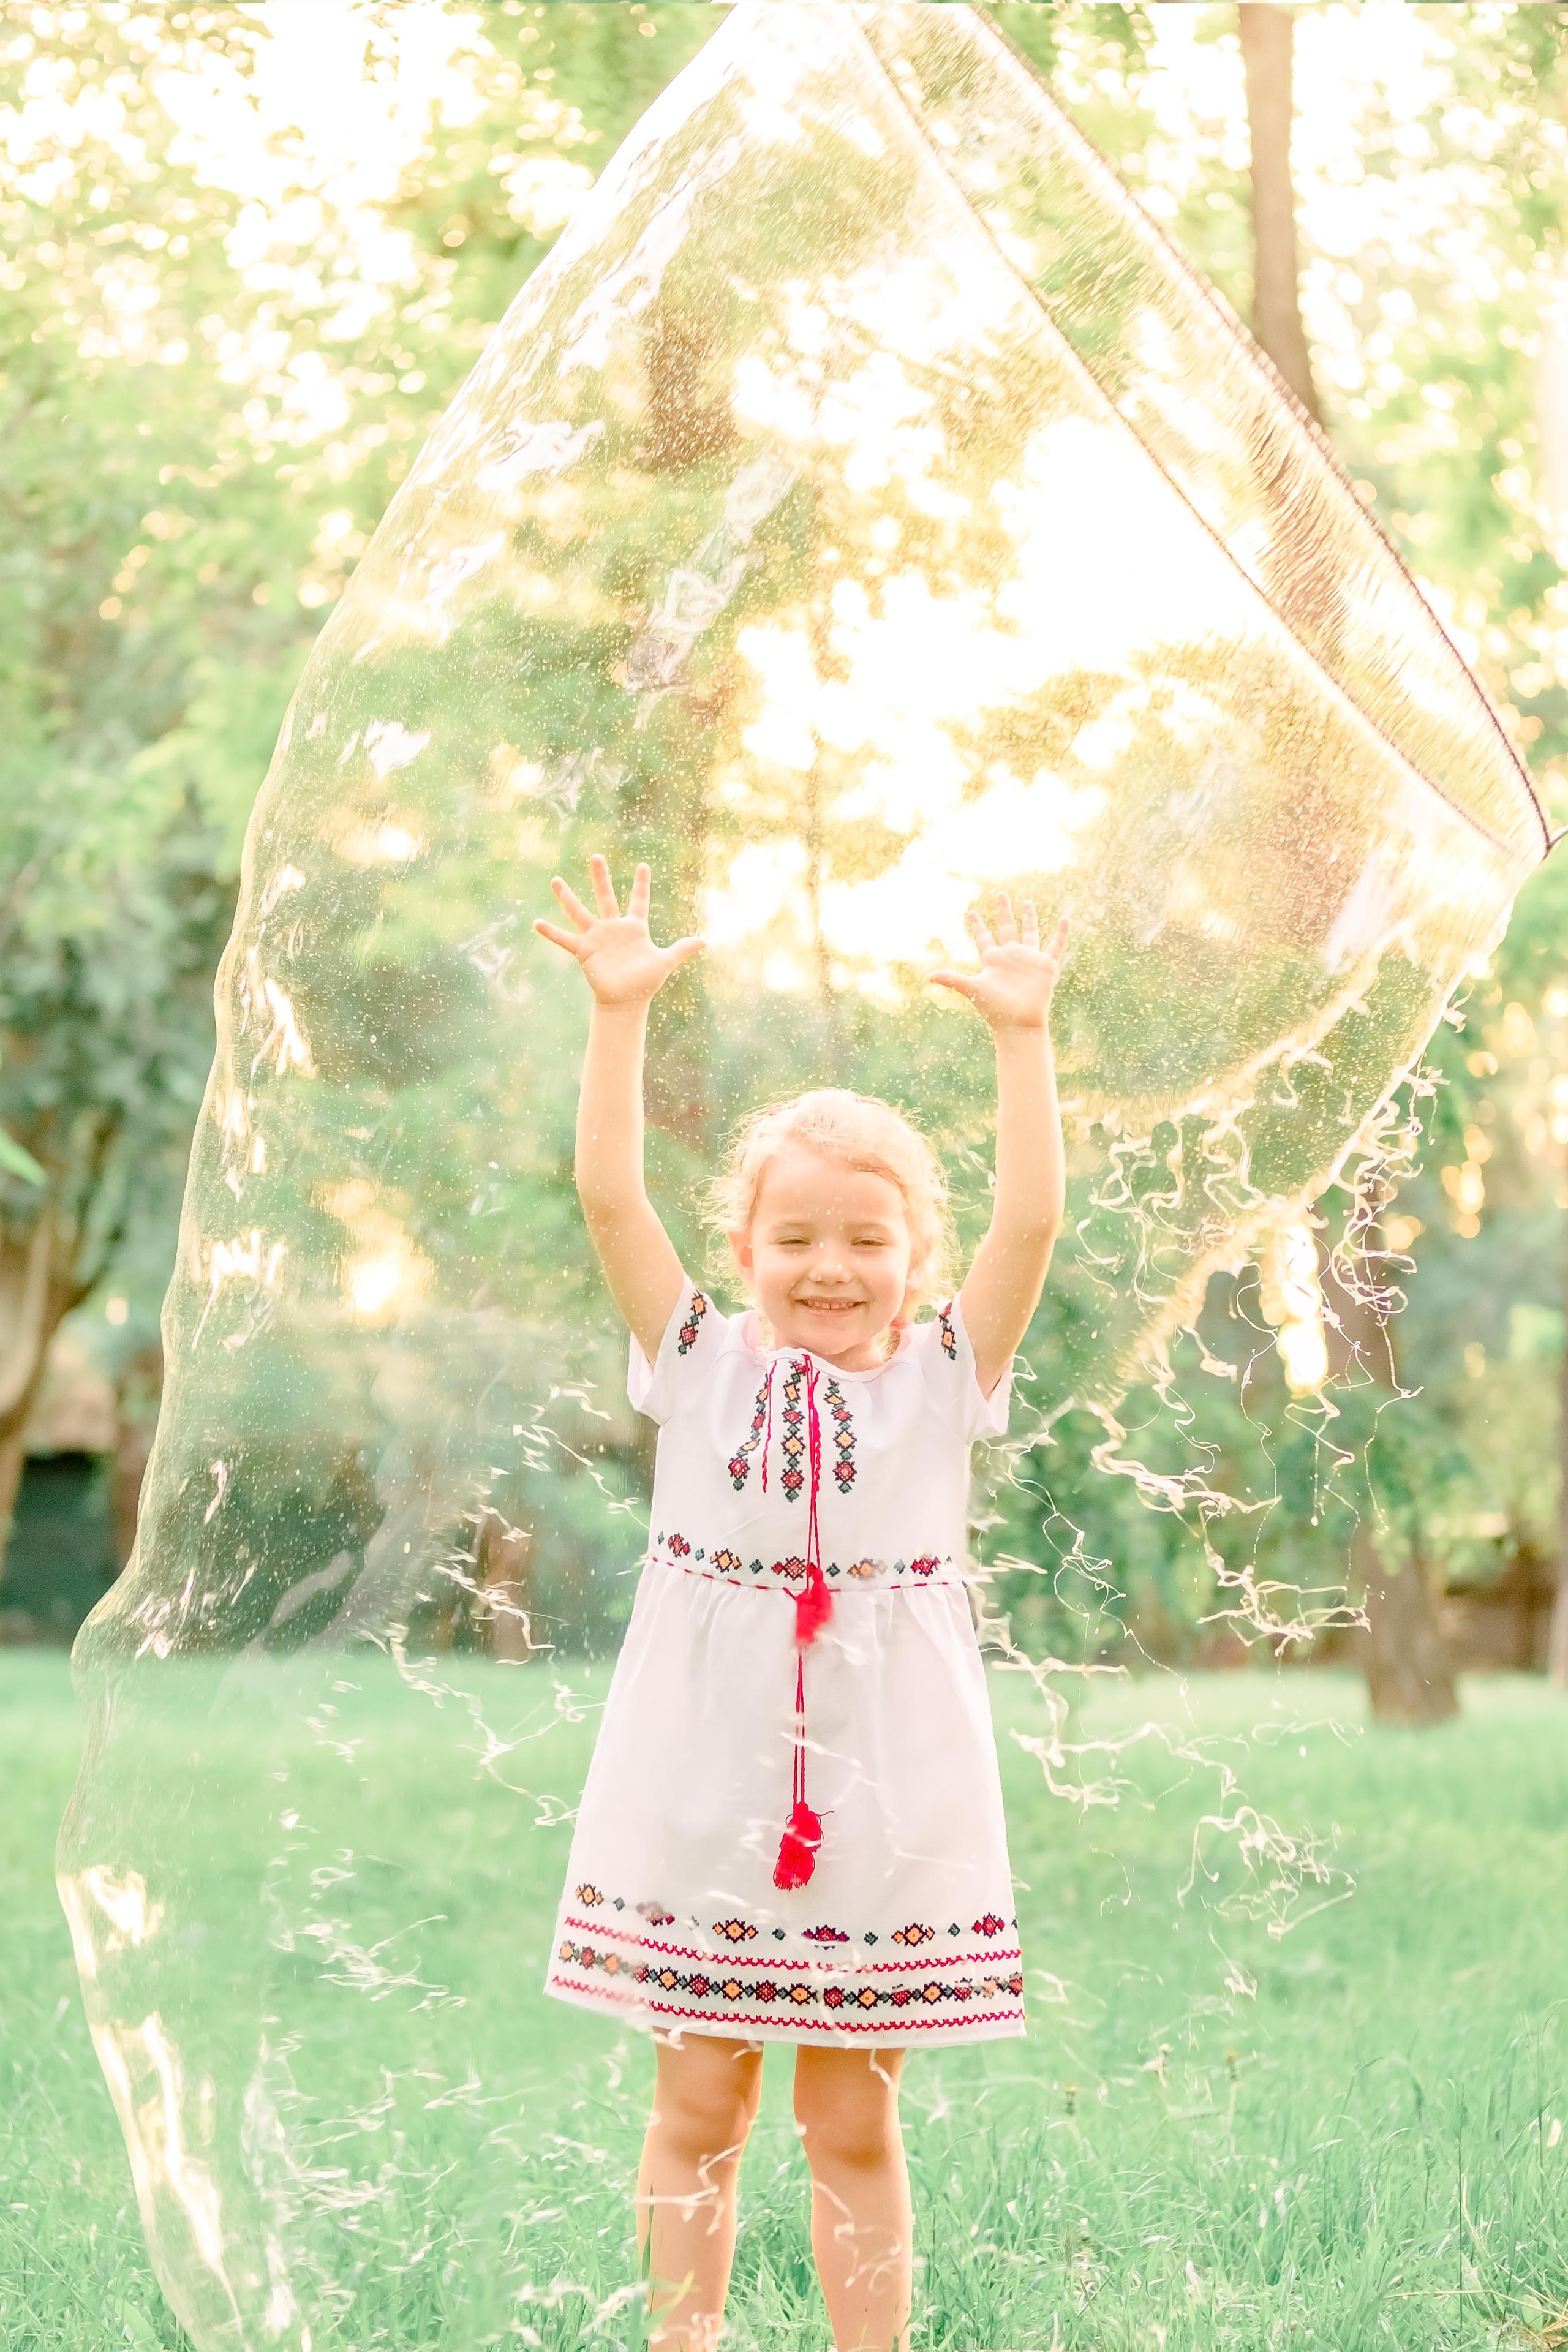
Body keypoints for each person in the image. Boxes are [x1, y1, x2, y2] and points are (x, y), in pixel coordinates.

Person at [533, 855, 1068, 2352]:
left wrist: (1020, 1043)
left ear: (914, 1259)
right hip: (710, 1773)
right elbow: (605, 1191)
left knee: (850, 2115)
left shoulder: (941, 1376)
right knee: (698, 2095)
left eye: (865, 1240)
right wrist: (619, 1014)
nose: (829, 1267)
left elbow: (1027, 1225)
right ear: (745, 1252)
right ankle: (680, 2340)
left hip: (881, 1784)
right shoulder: (700, 1363)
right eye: (794, 1240)